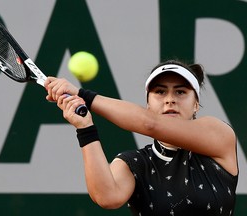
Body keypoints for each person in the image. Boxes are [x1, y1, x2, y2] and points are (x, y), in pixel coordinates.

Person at [44, 59, 238, 216]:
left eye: (180, 92)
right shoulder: (134, 163)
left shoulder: (218, 135)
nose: (170, 99)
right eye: (160, 92)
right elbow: (107, 198)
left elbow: (150, 124)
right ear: (148, 104)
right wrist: (85, 128)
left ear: (196, 104)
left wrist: (81, 94)